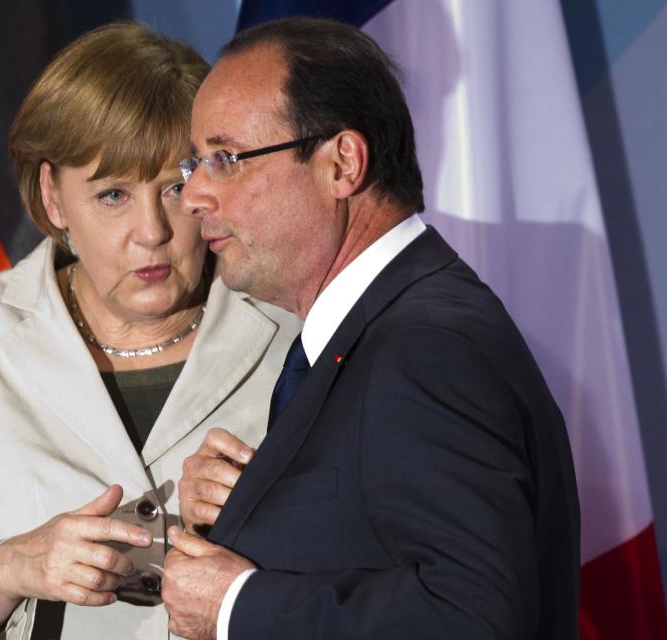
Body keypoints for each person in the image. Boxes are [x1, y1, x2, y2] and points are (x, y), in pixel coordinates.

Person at [0, 22, 300, 640]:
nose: (152, 232)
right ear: (54, 197)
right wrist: (12, 566)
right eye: (113, 194)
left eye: (175, 188)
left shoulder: (292, 326)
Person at [161, 17, 580, 640]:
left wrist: (236, 605)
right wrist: (243, 510)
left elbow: (473, 617)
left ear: (342, 165)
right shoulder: (372, 332)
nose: (193, 195)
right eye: (197, 163)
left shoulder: (424, 347)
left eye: (225, 159)